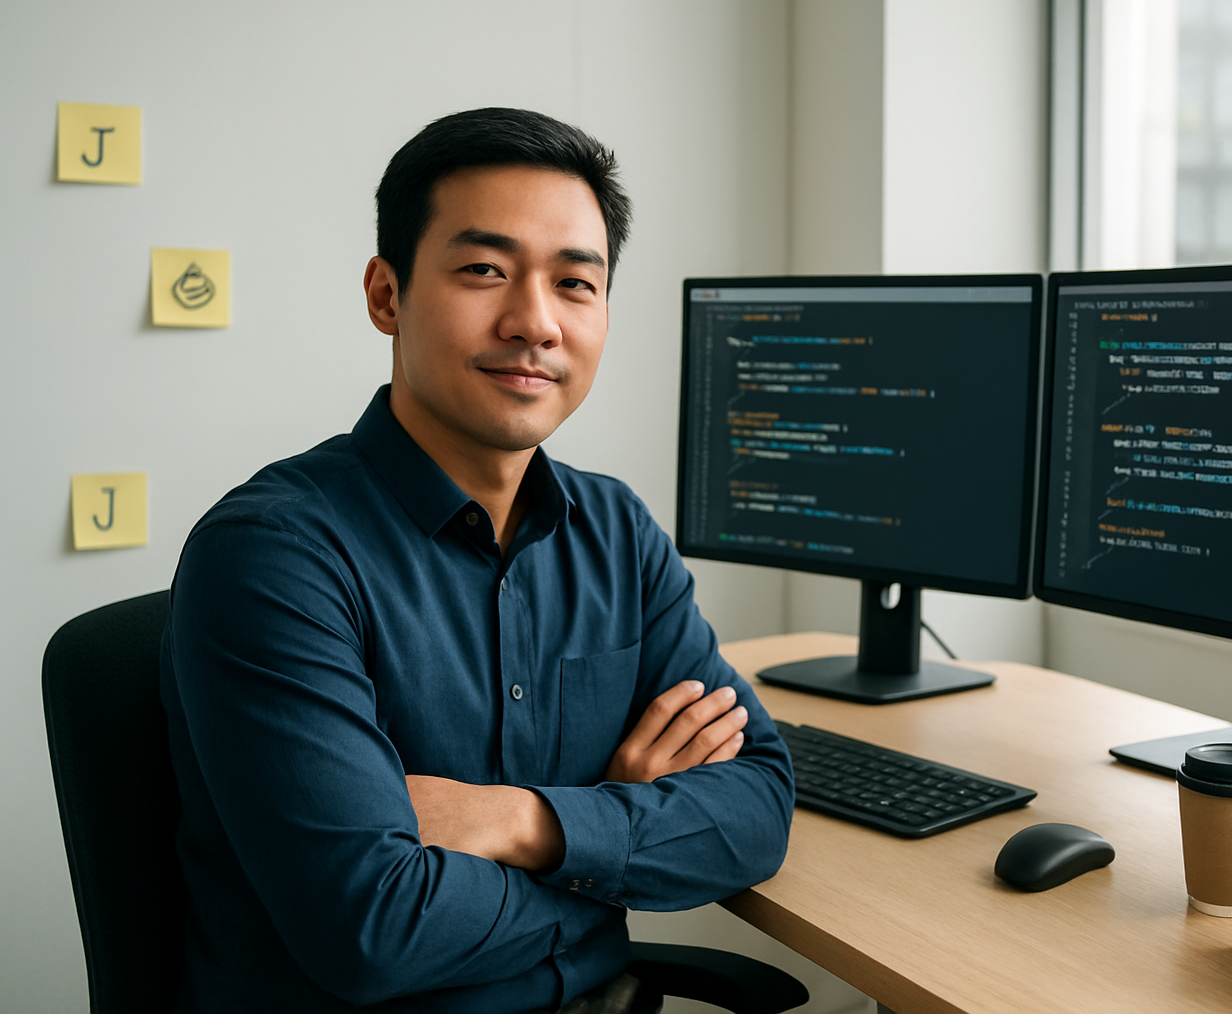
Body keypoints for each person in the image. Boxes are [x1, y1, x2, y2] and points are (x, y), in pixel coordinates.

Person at [160, 108, 794, 1014]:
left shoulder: (616, 531)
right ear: (387, 294)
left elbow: (758, 805)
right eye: (485, 271)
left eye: (576, 283)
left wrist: (523, 821)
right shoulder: (273, 557)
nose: (535, 323)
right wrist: (611, 852)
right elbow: (374, 931)